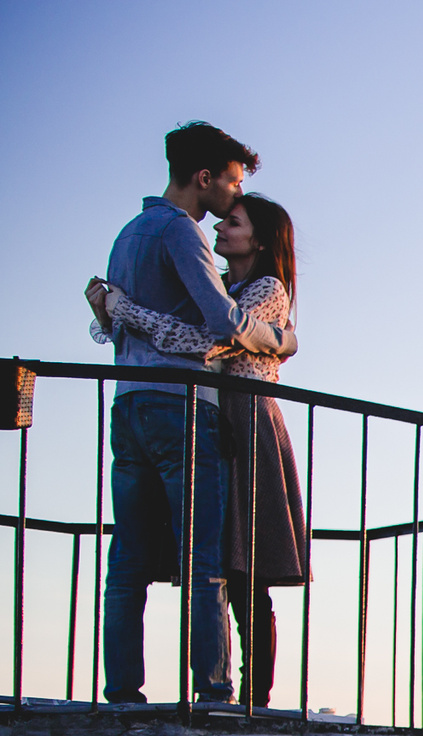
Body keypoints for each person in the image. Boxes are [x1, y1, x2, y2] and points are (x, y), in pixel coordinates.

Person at [84, 122, 295, 704]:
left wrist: (117, 310)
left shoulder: (127, 234)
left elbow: (112, 321)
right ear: (204, 179)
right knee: (205, 559)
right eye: (230, 184)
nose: (233, 197)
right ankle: (213, 692)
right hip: (180, 405)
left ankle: (122, 691)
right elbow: (221, 325)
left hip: (127, 404)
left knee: (126, 558)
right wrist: (279, 338)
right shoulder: (183, 233)